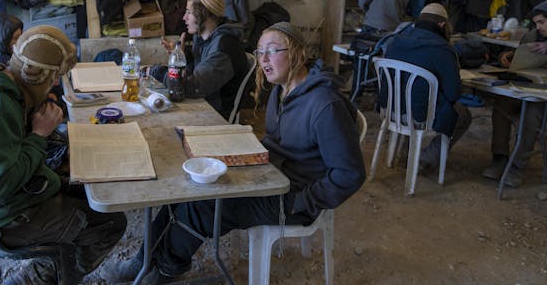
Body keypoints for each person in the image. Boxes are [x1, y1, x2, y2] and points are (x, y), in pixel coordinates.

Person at [109, 21, 366, 284]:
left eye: (272, 51)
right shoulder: (282, 90)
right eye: (260, 52)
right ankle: (143, 261)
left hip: (293, 196)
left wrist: (303, 201)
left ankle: (165, 270)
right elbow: (279, 144)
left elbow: (349, 175)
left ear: (297, 53)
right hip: (267, 177)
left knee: (201, 208)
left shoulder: (325, 105)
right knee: (185, 190)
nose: (264, 60)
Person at [0, 25, 127, 284]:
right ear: (36, 74)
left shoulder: (4, 84)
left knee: (86, 188)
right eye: (54, 77)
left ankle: (54, 270)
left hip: (13, 199)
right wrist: (38, 136)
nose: (55, 84)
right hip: (6, 218)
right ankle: (48, 276)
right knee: (109, 224)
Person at [483, 0, 547, 187]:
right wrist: (508, 56)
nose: (539, 27)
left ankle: (517, 167)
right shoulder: (535, 34)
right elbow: (522, 55)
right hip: (533, 89)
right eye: (536, 23)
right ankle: (500, 158)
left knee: (533, 111)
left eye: (542, 22)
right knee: (502, 103)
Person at [381, 3, 472, 174]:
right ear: (443, 25)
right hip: (419, 115)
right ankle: (425, 160)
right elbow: (454, 93)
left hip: (390, 109)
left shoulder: (395, 41)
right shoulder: (443, 49)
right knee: (463, 115)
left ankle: (405, 154)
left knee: (412, 97)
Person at [158, 0, 248, 119]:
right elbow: (197, 74)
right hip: (203, 105)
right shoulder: (204, 40)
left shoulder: (224, 47)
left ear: (204, 14)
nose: (184, 17)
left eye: (189, 12)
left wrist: (156, 72)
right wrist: (184, 57)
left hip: (215, 116)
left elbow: (191, 87)